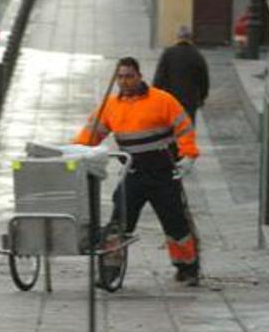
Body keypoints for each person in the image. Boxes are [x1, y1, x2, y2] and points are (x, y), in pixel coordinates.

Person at [74, 57, 201, 285]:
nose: (125, 81)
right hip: (133, 174)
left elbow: (184, 127)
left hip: (163, 174)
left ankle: (187, 268)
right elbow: (90, 136)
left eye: (129, 76)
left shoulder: (162, 100)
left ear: (139, 76)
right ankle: (109, 271)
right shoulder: (110, 107)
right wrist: (75, 153)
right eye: (120, 77)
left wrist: (189, 155)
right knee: (117, 224)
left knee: (175, 224)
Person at [152, 25, 209, 123]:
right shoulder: (196, 55)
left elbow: (159, 78)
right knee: (187, 127)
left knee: (170, 126)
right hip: (190, 100)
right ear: (190, 38)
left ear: (177, 37)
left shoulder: (168, 53)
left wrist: (155, 96)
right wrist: (202, 97)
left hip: (170, 98)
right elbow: (204, 80)